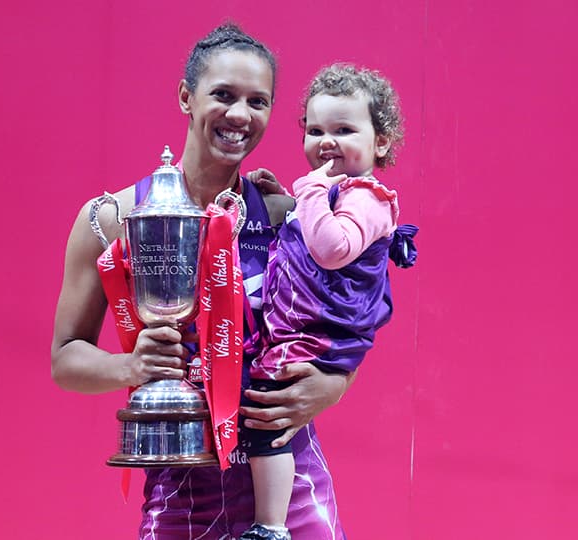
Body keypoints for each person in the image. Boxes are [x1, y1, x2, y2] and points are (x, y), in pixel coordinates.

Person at [50, 24, 354, 539]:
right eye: (224, 95)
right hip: (180, 487)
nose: (240, 115)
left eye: (258, 101)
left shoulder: (290, 218)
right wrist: (130, 365)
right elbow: (65, 358)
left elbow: (347, 324)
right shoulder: (110, 219)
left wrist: (335, 384)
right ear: (186, 97)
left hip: (287, 485)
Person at [238, 64, 416, 540]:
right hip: (302, 323)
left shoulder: (367, 197)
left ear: (380, 142)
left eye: (344, 129)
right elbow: (307, 228)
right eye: (315, 130)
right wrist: (284, 199)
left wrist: (310, 190)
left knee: (269, 416)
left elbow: (332, 249)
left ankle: (270, 526)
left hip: (319, 333)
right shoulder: (335, 193)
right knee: (267, 412)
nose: (326, 141)